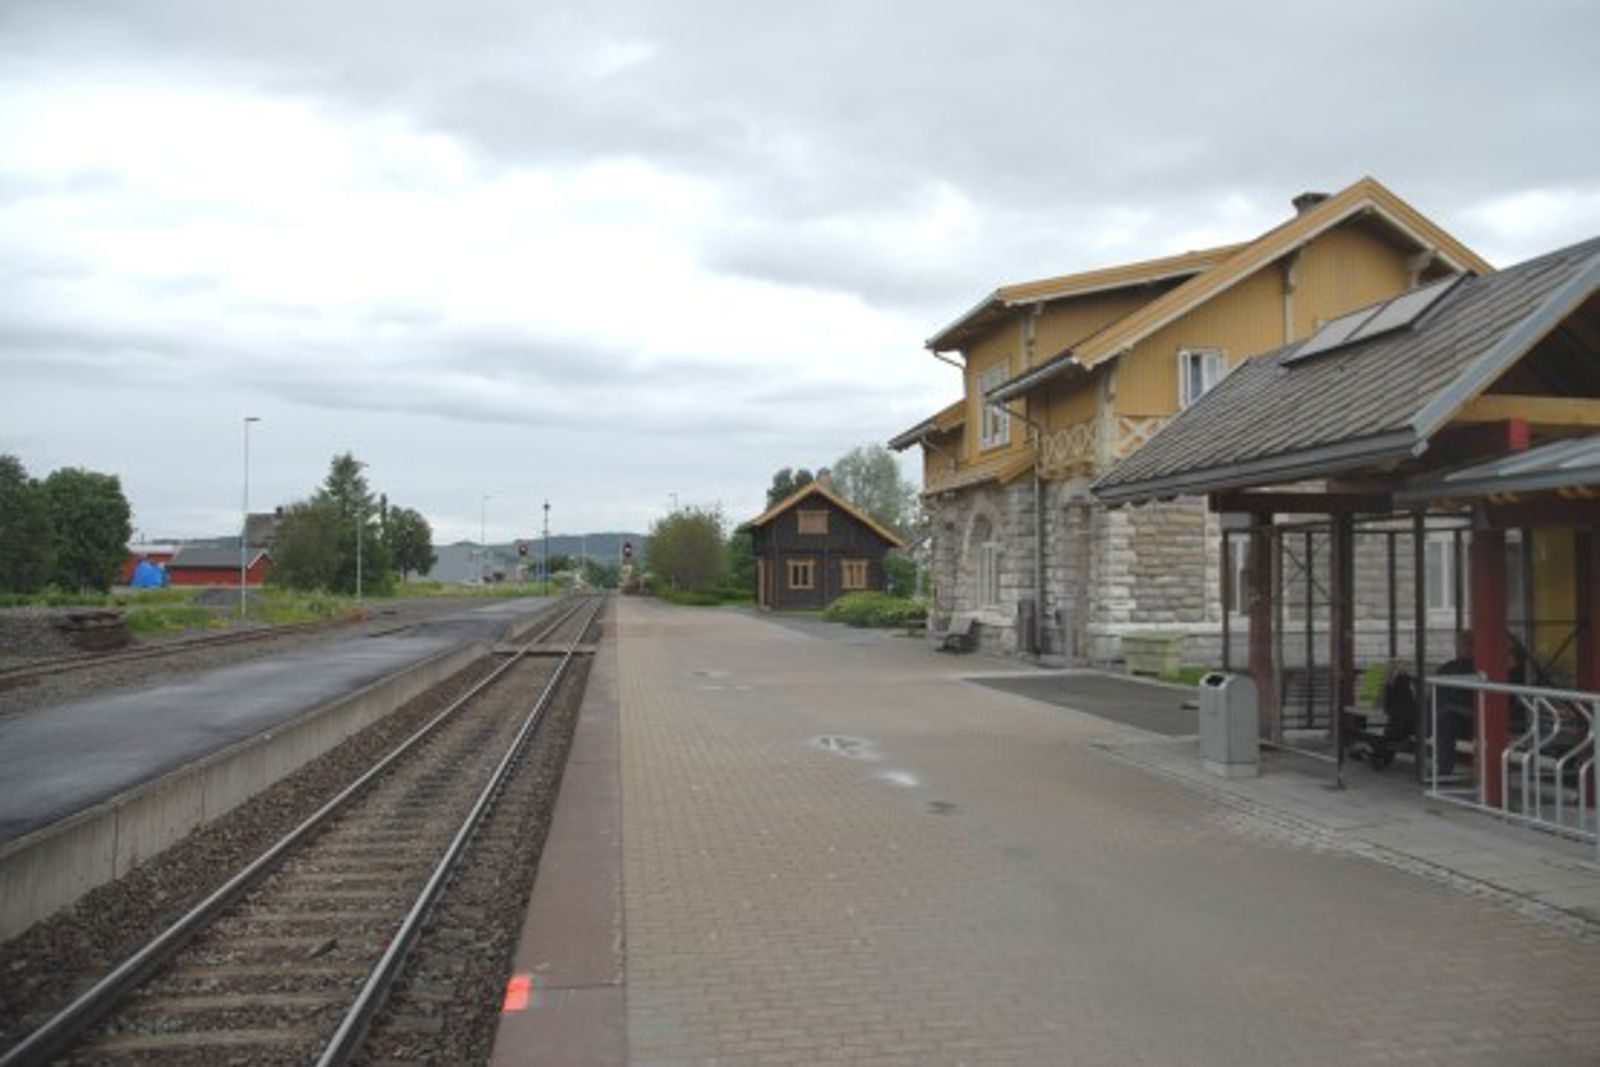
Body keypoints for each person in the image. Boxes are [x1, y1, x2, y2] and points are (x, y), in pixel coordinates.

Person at [1433, 631, 1476, 776]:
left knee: (1445, 720)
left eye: (1469, 644)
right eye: (1461, 645)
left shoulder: (1478, 667)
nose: (1465, 648)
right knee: (1433, 712)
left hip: (1469, 715)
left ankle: (1444, 769)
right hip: (1449, 710)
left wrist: (1451, 706)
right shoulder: (1447, 668)